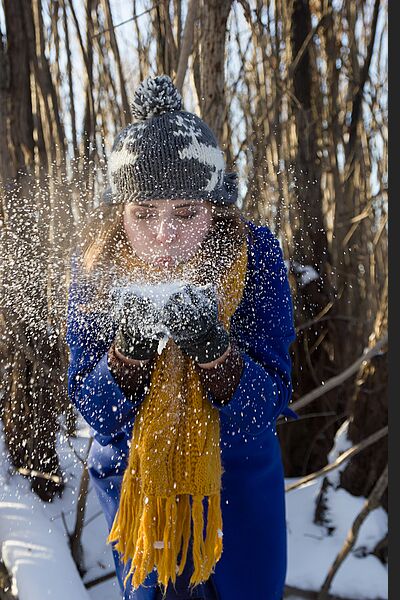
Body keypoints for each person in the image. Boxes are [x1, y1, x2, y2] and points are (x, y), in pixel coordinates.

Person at [65, 75, 298, 600]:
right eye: (144, 214)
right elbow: (97, 414)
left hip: (237, 492)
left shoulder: (253, 256)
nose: (164, 235)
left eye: (186, 212)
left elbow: (270, 401)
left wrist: (217, 355)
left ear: (214, 209)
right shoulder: (99, 269)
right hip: (138, 496)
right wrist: (128, 354)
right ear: (119, 215)